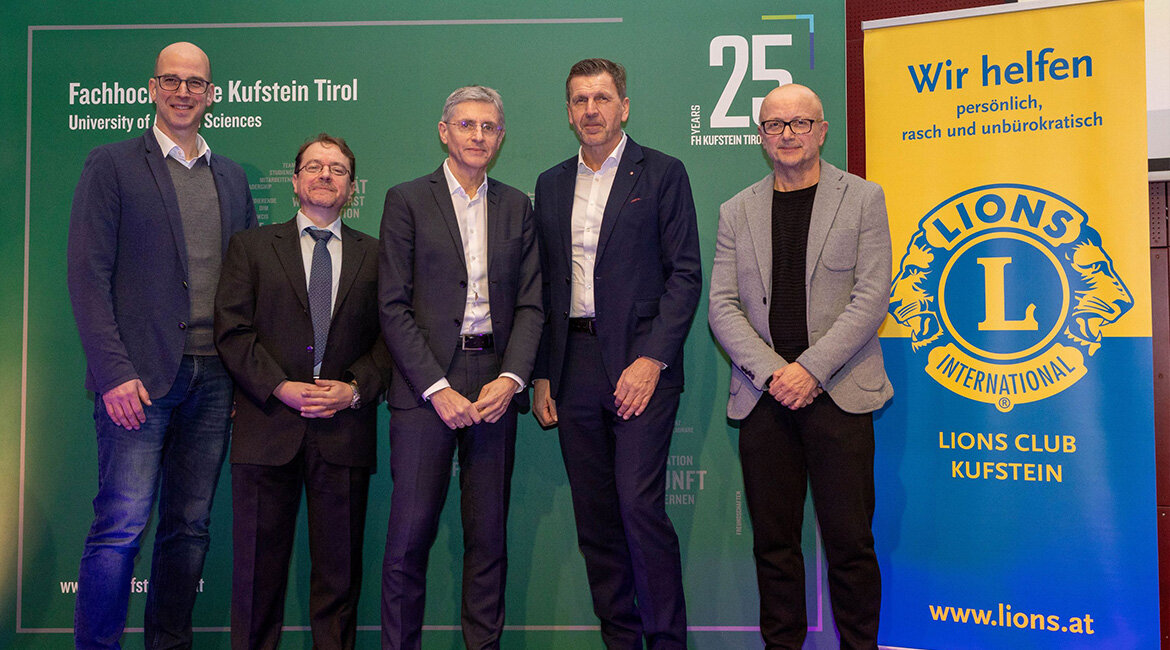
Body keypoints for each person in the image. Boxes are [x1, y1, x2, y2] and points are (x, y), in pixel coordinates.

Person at [66, 41, 256, 649]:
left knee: (189, 528)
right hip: (137, 382)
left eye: (195, 83)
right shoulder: (113, 163)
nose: (183, 92)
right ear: (152, 89)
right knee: (120, 528)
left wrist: (242, 376)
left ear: (211, 95)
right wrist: (113, 373)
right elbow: (87, 276)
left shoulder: (231, 177)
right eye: (171, 80)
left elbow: (245, 288)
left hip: (214, 379)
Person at [707, 83, 893, 650]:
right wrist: (773, 373)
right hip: (765, 400)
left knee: (850, 545)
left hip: (839, 394)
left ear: (822, 131)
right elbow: (722, 305)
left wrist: (809, 370)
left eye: (800, 123)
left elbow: (872, 297)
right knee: (774, 547)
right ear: (761, 136)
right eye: (775, 124)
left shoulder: (863, 198)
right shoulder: (736, 210)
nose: (787, 134)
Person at [531, 58, 702, 649]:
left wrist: (652, 360)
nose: (591, 110)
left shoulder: (663, 173)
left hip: (640, 366)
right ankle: (621, 641)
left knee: (639, 509)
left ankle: (666, 641)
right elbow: (546, 286)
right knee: (596, 520)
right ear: (568, 112)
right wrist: (543, 374)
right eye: (580, 100)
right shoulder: (551, 183)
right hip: (572, 366)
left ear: (624, 107)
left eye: (602, 98)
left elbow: (685, 276)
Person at [378, 85, 542, 650]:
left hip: (494, 382)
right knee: (408, 539)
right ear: (444, 132)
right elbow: (392, 305)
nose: (478, 135)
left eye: (489, 126)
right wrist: (435, 387)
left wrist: (512, 379)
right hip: (425, 386)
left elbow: (532, 304)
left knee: (488, 538)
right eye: (467, 125)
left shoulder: (517, 206)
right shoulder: (406, 200)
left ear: (501, 137)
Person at [214, 133, 392, 650]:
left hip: (343, 431)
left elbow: (392, 339)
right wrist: (279, 387)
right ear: (294, 181)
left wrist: (354, 390)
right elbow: (232, 330)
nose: (325, 175)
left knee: (339, 580)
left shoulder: (377, 255)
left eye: (337, 169)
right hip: (266, 427)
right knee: (256, 578)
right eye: (314, 166)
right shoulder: (250, 247)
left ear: (352, 188)